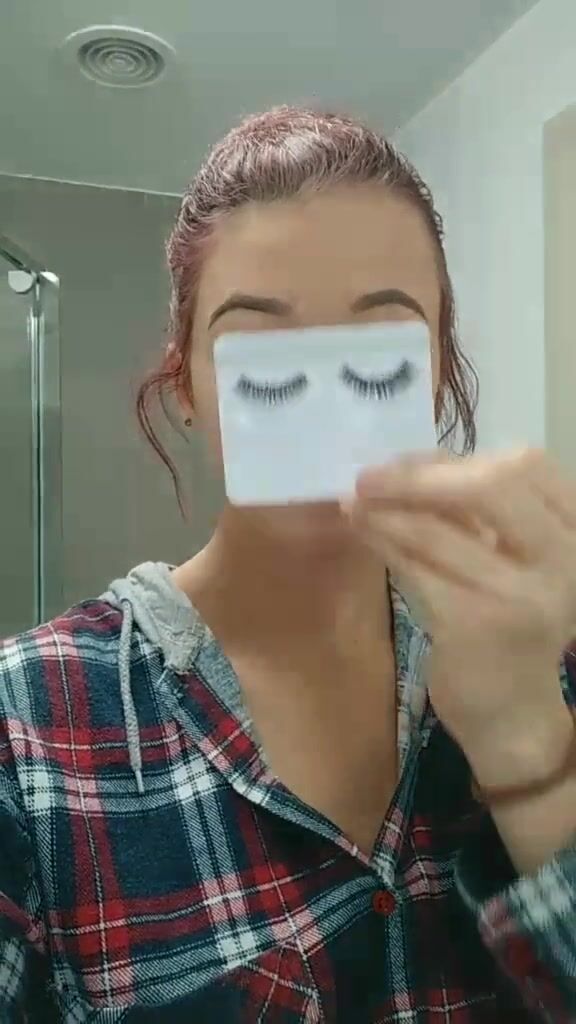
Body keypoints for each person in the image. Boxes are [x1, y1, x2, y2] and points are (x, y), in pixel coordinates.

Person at [1, 107, 576, 1024]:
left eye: (378, 361)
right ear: (186, 385)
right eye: (263, 363)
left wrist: (529, 755)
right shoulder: (26, 727)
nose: (328, 414)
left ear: (436, 372)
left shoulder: (544, 655)